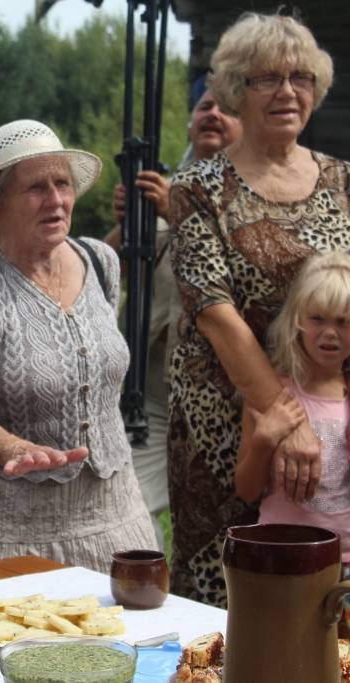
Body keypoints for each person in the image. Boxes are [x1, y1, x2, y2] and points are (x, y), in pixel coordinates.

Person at [167, 10, 349, 607]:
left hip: (332, 412)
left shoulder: (343, 181)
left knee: (326, 590)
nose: (287, 91)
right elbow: (214, 310)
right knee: (225, 597)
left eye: (300, 77)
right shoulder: (196, 187)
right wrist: (286, 418)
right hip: (224, 419)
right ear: (235, 92)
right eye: (267, 78)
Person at [0, 119, 157, 573]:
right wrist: (14, 449)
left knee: (124, 638)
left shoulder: (101, 261)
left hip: (113, 514)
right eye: (36, 188)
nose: (56, 200)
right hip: (6, 528)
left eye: (63, 184)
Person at [103, 80, 243, 549]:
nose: (213, 114)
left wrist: (175, 212)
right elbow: (106, 273)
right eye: (205, 105)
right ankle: (138, 596)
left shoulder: (253, 193)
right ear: (189, 121)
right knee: (130, 514)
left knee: (218, 527)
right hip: (155, 386)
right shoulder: (167, 183)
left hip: (228, 383)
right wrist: (129, 225)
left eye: (226, 109)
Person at [235, 251, 350, 564]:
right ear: (298, 319)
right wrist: (264, 441)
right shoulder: (274, 394)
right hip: (279, 555)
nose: (330, 333)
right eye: (317, 318)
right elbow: (246, 490)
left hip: (344, 560)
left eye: (343, 323)